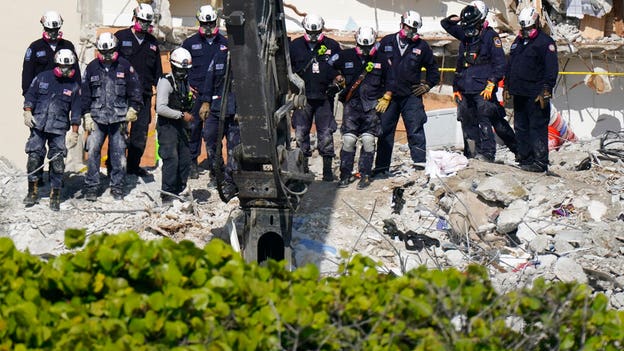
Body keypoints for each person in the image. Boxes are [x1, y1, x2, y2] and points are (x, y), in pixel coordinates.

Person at [441, 1, 515, 162]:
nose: (468, 32)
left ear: (481, 21)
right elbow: (445, 24)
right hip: (465, 87)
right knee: (467, 121)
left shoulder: (490, 37)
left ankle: (491, 154)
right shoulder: (466, 34)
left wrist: (492, 82)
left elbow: (500, 63)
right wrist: (458, 19)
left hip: (483, 88)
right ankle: (472, 154)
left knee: (487, 119)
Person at [373, 11, 440, 176]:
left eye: (414, 29)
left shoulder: (421, 47)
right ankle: (381, 169)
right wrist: (377, 92)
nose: (410, 31)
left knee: (415, 129)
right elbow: (375, 67)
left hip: (411, 96)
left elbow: (433, 70)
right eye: (409, 27)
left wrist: (427, 85)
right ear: (402, 24)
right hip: (389, 96)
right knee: (385, 131)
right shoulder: (386, 42)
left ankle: (419, 166)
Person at [81, 32, 143, 201]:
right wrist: (85, 114)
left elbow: (135, 89)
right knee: (93, 150)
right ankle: (92, 186)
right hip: (97, 118)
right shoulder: (91, 68)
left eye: (110, 52)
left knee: (118, 154)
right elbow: (85, 93)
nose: (106, 56)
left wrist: (133, 108)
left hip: (119, 118)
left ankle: (117, 186)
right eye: (103, 52)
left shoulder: (125, 66)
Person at [329, 27, 391, 189]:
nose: (365, 50)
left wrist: (387, 96)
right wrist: (337, 76)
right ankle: (345, 174)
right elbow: (328, 65)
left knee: (369, 141)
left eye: (368, 47)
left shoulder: (382, 59)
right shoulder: (346, 56)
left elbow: (391, 79)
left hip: (372, 106)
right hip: (351, 106)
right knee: (349, 140)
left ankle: (365, 174)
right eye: (362, 47)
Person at [22, 49, 81, 211]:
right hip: (39, 125)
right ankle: (32, 191)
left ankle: (55, 195)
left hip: (58, 128)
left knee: (57, 162)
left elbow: (76, 111)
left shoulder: (73, 86)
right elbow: (31, 96)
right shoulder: (42, 78)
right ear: (57, 64)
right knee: (34, 157)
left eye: (69, 66)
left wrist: (75, 132)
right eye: (63, 65)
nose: (65, 69)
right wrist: (27, 111)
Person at [289, 14, 341, 181]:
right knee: (301, 133)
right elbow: (286, 70)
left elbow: (341, 68)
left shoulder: (332, 45)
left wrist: (339, 79)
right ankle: (303, 169)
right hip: (302, 98)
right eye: (310, 32)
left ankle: (327, 171)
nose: (313, 35)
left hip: (324, 98)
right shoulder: (295, 46)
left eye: (316, 31)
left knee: (326, 134)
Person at [506, 6, 558, 172]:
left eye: (528, 28)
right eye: (524, 28)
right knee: (521, 127)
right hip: (519, 92)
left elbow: (551, 69)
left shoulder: (545, 43)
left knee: (537, 128)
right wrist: (507, 85)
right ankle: (525, 159)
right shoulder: (518, 42)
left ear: (535, 25)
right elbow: (511, 65)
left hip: (536, 94)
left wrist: (546, 89)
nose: (526, 31)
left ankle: (540, 162)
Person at [115, 4, 163, 176]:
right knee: (118, 132)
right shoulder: (120, 37)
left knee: (140, 132)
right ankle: (115, 167)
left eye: (147, 22)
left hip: (144, 95)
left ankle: (132, 167)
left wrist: (162, 96)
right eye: (141, 20)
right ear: (134, 18)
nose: (144, 24)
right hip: (121, 94)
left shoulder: (152, 43)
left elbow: (158, 73)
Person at [182, 5, 228, 179]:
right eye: (204, 23)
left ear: (215, 22)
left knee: (213, 133)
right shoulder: (189, 43)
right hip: (195, 95)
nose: (208, 26)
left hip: (217, 96)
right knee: (193, 129)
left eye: (211, 22)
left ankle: (214, 168)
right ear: (199, 22)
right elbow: (181, 67)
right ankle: (192, 163)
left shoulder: (225, 44)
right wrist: (187, 87)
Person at [199, 42, 240, 201]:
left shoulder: (247, 59)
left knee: (234, 148)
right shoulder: (219, 56)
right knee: (210, 140)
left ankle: (231, 181)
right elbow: (209, 80)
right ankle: (217, 174)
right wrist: (205, 101)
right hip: (217, 108)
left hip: (236, 112)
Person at [155, 48, 195, 205]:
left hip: (181, 126)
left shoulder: (185, 82)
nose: (183, 73)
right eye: (180, 70)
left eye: (185, 70)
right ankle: (167, 194)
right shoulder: (166, 82)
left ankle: (180, 189)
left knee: (185, 158)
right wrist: (181, 115)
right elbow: (160, 108)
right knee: (171, 158)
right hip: (167, 126)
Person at [22, 10, 81, 97]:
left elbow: (76, 71)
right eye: (50, 30)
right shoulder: (35, 47)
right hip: (41, 96)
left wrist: (78, 93)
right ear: (44, 27)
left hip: (64, 95)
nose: (53, 32)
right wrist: (28, 96)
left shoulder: (68, 46)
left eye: (55, 29)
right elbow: (27, 72)